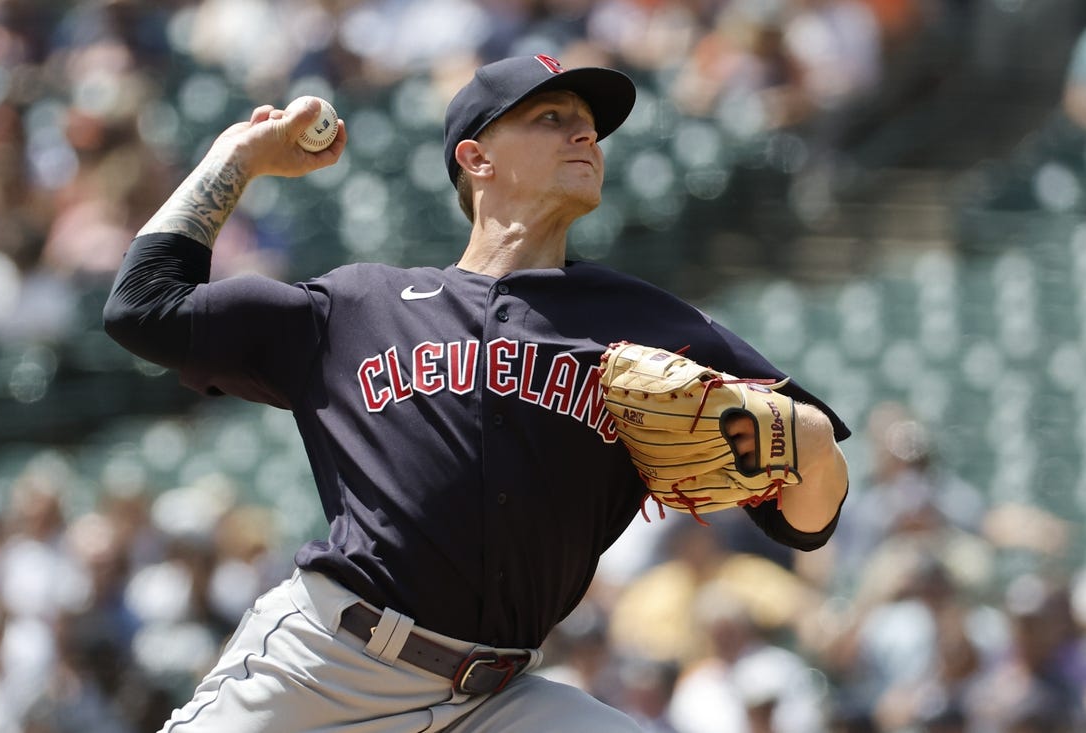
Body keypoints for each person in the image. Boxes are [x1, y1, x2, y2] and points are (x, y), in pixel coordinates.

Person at [103, 53, 851, 733]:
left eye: (590, 127)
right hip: (327, 664)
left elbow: (803, 521)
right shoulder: (359, 305)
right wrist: (236, 158)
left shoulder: (649, 323)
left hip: (495, 699)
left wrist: (811, 450)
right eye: (551, 118)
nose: (584, 136)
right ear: (476, 156)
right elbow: (143, 308)